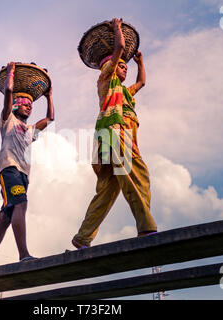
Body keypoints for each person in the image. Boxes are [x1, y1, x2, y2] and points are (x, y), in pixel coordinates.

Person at [72, 18, 158, 249]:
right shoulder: (106, 79)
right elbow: (119, 49)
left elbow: (141, 82)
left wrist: (140, 62)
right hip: (112, 131)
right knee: (133, 173)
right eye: (121, 65)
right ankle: (146, 227)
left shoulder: (125, 92)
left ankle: (82, 238)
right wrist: (117, 29)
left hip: (123, 135)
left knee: (108, 190)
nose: (124, 68)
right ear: (109, 66)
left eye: (125, 66)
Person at [0, 62, 54, 270]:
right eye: (26, 104)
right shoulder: (7, 120)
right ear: (16, 105)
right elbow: (8, 90)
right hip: (9, 170)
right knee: (21, 204)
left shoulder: (29, 131)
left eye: (31, 105)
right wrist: (11, 72)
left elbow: (50, 118)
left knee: (4, 219)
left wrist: (49, 96)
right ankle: (23, 254)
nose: (29, 107)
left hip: (23, 175)